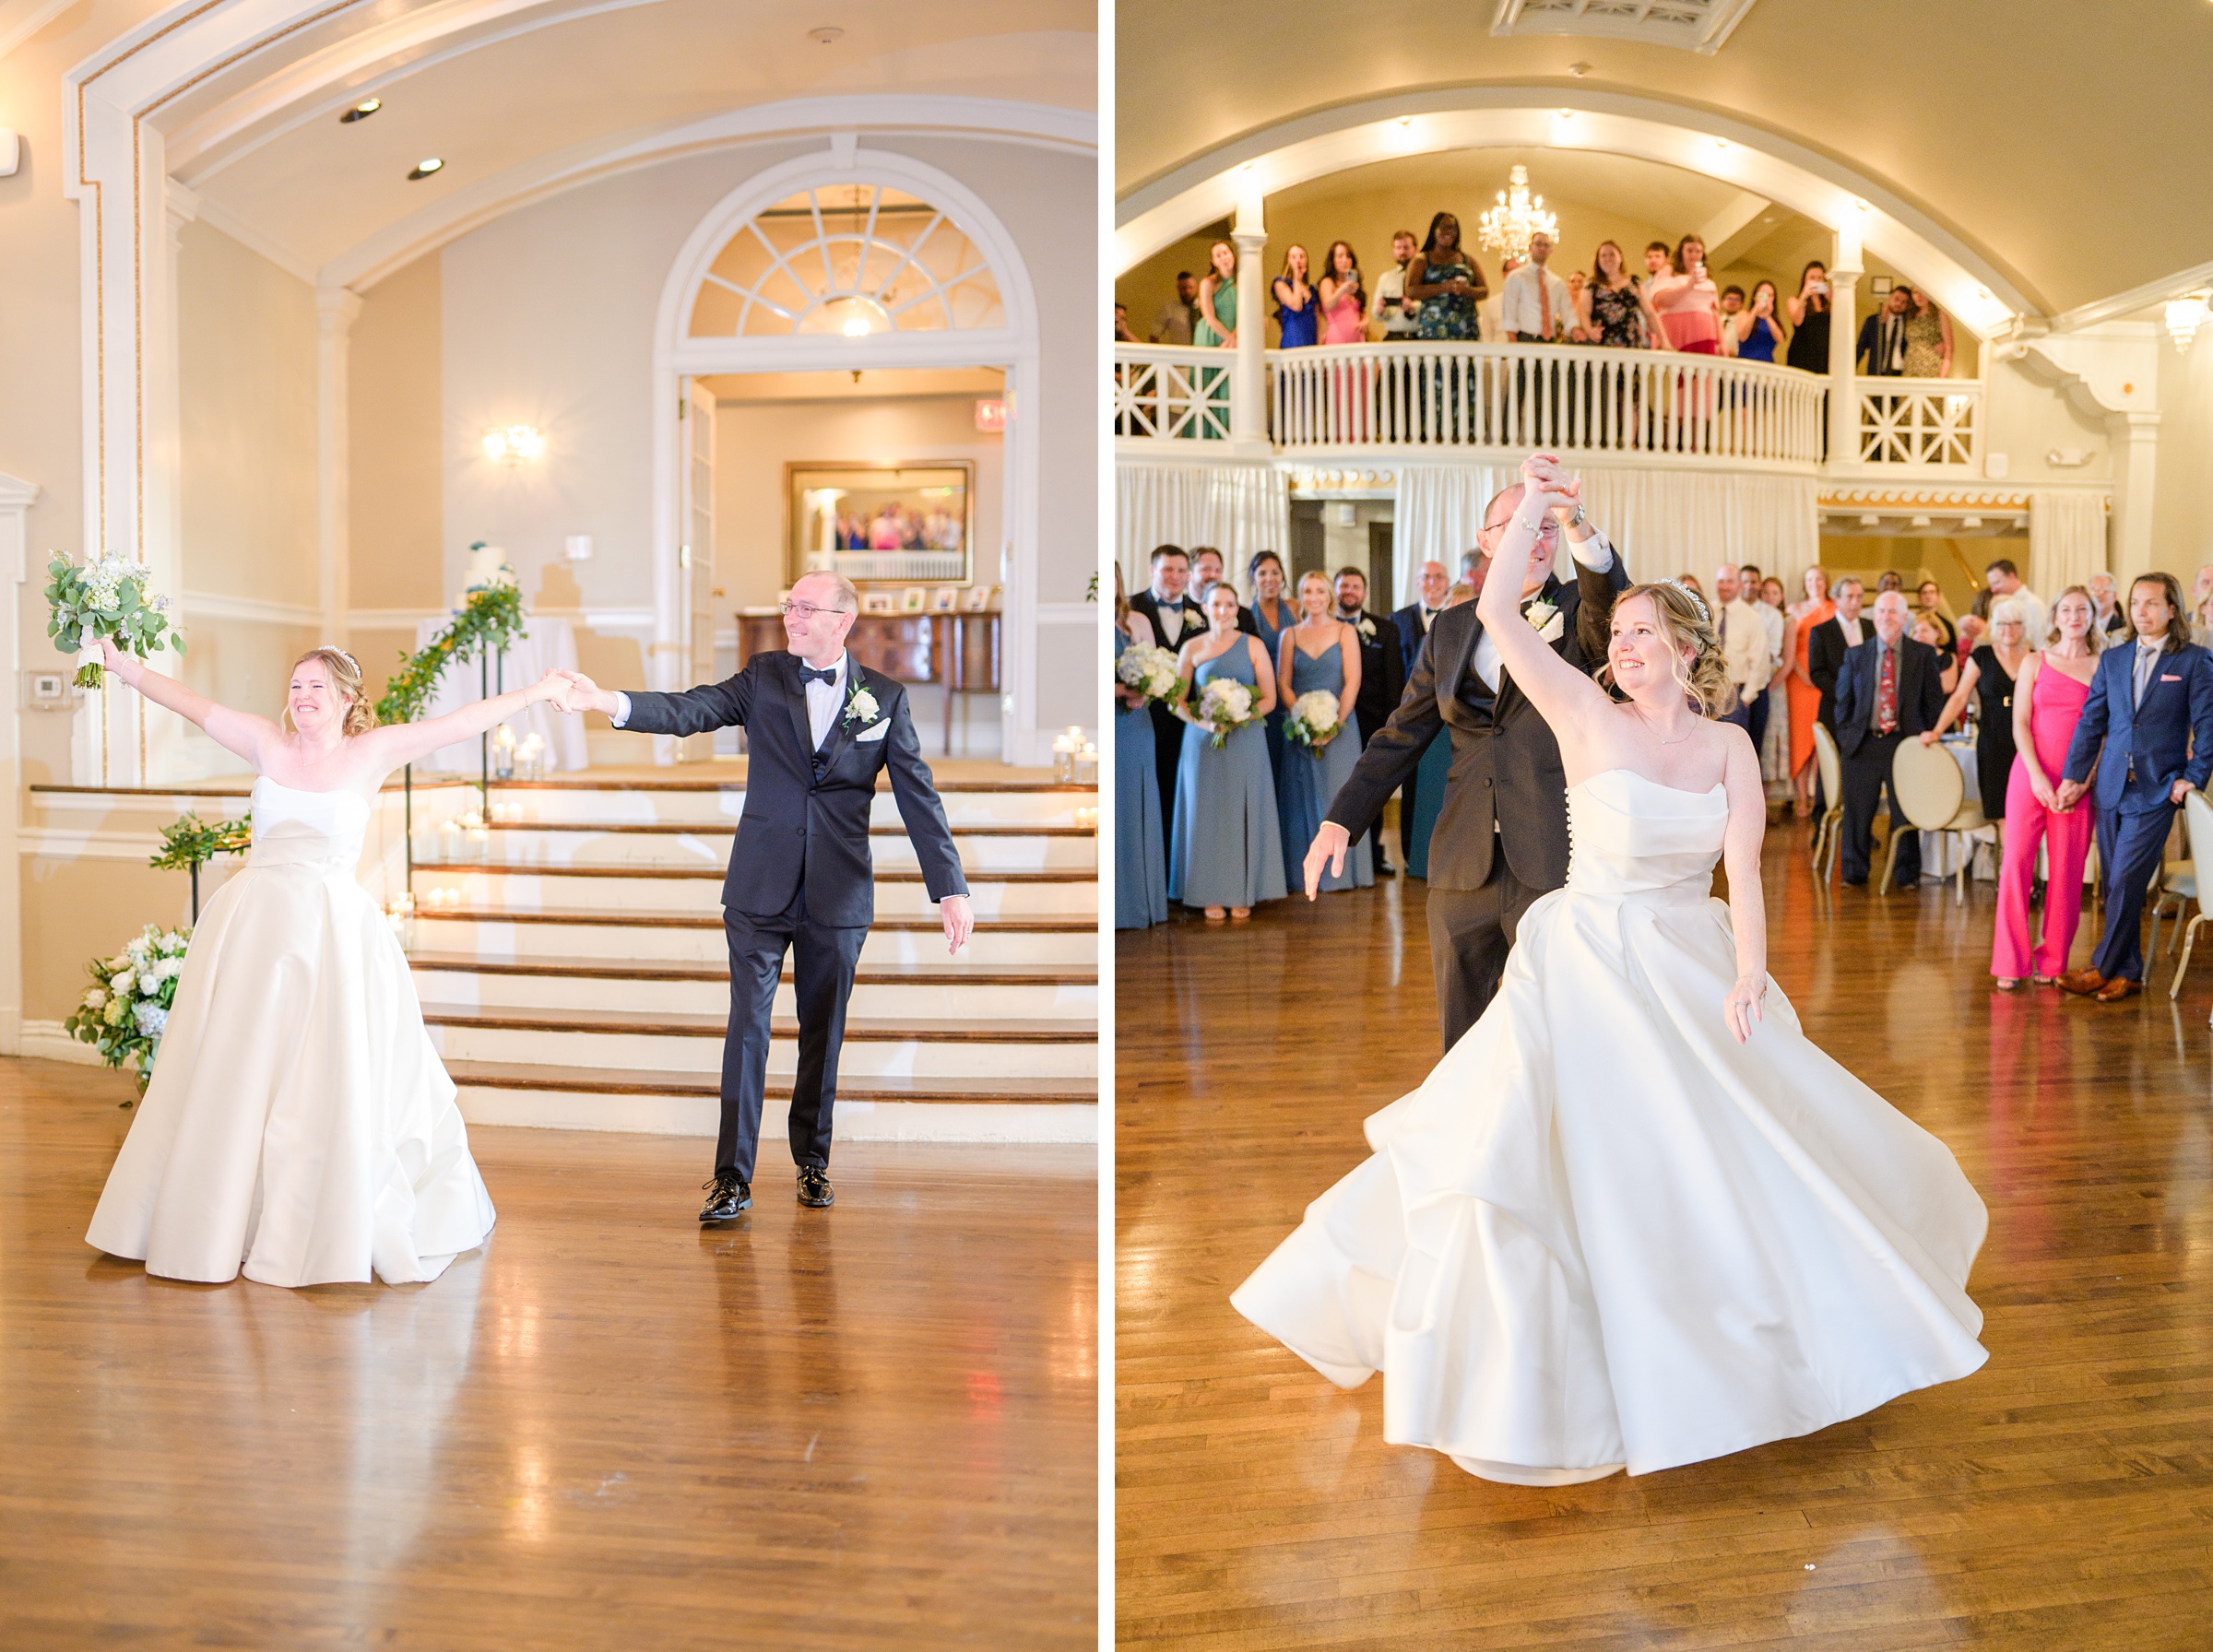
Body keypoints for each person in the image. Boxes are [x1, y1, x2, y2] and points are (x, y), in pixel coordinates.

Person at [1233, 461, 1989, 1487]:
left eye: (1643, 636)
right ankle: (1531, 1346)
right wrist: (1540, 505)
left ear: (1680, 649)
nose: (1624, 649)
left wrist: (1753, 974)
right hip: (1578, 947)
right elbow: (1476, 635)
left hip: (1686, 957)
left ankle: (1741, 1338)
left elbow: (1744, 874)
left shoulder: (1714, 741)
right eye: (1619, 637)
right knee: (1527, 1138)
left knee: (1712, 1157)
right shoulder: (1579, 708)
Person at [84, 643, 573, 1284]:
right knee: (240, 1071)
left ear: (346, 698)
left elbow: (460, 722)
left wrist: (536, 693)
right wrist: (122, 667)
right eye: (295, 685)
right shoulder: (265, 742)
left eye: (317, 686)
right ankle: (219, 1216)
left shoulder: (369, 752)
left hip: (330, 934)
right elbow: (192, 705)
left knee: (319, 1074)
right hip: (253, 929)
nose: (303, 695)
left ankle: (311, 1220)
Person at [560, 573, 971, 1218]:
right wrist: (605, 701)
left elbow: (919, 795)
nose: (791, 616)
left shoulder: (885, 698)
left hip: (838, 895)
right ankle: (732, 1178)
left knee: (822, 1033)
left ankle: (812, 1163)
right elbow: (690, 710)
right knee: (747, 1031)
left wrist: (948, 888)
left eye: (806, 608)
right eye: (789, 605)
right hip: (759, 885)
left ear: (842, 620)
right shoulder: (764, 675)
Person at [1306, 459, 1630, 1048]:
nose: (1534, 538)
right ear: (1485, 543)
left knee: (1562, 1026)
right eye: (1517, 525)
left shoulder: (1583, 619)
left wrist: (1574, 518)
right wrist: (1341, 818)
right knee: (1463, 1034)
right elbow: (1401, 733)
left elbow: (1608, 597)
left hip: (1555, 854)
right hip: (1463, 861)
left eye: (1545, 527)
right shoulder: (1450, 628)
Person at [2056, 572, 2213, 1001]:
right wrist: (2074, 775)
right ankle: (2128, 973)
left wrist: (2192, 778)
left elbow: (2208, 727)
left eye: (2151, 604)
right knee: (2113, 882)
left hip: (2158, 788)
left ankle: (2101, 966)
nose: (2141, 611)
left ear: (2171, 609)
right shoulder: (2114, 658)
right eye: (2136, 603)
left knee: (2126, 879)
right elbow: (2092, 720)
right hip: (2110, 784)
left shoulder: (2194, 660)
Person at [1982, 587, 2101, 988]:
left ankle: (2052, 963)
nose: (2073, 616)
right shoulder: (2034, 661)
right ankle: (2010, 963)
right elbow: (2019, 723)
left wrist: (2083, 781)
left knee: (2067, 874)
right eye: (2065, 609)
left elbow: (2105, 732)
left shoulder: (2104, 666)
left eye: (2081, 609)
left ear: (2092, 616)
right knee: (2016, 865)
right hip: (2029, 774)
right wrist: (2035, 775)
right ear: (2054, 617)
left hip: (2077, 783)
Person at [1170, 582, 1287, 920]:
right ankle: (1207, 892)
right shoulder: (1191, 647)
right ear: (1205, 608)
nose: (1223, 610)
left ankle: (1243, 890)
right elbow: (1177, 700)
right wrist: (1204, 724)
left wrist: (1240, 716)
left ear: (1237, 609)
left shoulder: (1253, 645)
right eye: (1217, 604)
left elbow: (1269, 698)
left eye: (1230, 605)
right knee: (1206, 814)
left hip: (1245, 738)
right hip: (1202, 741)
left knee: (1242, 811)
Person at [1832, 590, 1947, 888]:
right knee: (1858, 812)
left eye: (1893, 612)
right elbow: (1842, 702)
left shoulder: (1922, 655)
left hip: (1905, 743)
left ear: (1904, 618)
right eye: (1881, 611)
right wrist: (1846, 738)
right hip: (1862, 743)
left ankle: (1906, 873)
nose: (1886, 617)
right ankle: (1853, 871)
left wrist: (1927, 732)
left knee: (1904, 811)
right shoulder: (1856, 655)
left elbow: (1934, 702)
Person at [1277, 573, 1369, 894]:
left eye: (1319, 591)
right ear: (1300, 596)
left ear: (1329, 595)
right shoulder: (1289, 634)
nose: (1313, 597)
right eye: (1307, 591)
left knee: (1339, 795)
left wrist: (1334, 725)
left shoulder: (1345, 631)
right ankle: (1299, 873)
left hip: (1340, 730)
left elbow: (1352, 681)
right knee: (1299, 798)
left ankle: (1342, 874)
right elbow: (1284, 684)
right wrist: (1303, 718)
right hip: (1300, 731)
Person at [1928, 599, 2030, 832]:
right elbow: (1959, 697)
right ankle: (2010, 867)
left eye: (2015, 623)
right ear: (1994, 626)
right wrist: (1937, 731)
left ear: (2024, 627)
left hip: (2026, 742)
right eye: (2003, 623)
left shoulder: (2034, 657)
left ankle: (2021, 866)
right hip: (1993, 742)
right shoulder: (1982, 655)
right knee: (2002, 814)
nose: (2008, 630)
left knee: (2025, 812)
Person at [1331, 568, 1405, 877]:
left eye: (1356, 586)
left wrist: (1391, 725)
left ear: (1364, 592)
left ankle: (1372, 857)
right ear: (1335, 590)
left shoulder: (1384, 629)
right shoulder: (1320, 625)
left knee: (1370, 787)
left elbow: (1394, 680)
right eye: (1344, 586)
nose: (1349, 591)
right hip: (1329, 720)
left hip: (1371, 722)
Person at [1131, 545, 1201, 845]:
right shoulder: (1131, 608)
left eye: (1181, 570)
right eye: (1167, 570)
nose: (1175, 577)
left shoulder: (1202, 612)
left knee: (1185, 795)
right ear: (1152, 571)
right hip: (1144, 718)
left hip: (1189, 721)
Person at [1115, 564, 1171, 930]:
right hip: (1114, 722)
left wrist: (1147, 689)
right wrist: (1121, 692)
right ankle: (1122, 905)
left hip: (1139, 723)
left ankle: (1144, 903)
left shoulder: (1134, 620)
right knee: (1119, 806)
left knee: (1139, 804)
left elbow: (1154, 666)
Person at [1391, 560, 1451, 868]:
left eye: (1438, 577)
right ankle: (1410, 853)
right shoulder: (1398, 620)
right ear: (1417, 582)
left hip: (1450, 720)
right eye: (1426, 577)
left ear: (1447, 582)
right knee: (1411, 784)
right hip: (1411, 716)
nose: (1432, 582)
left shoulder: (1460, 617)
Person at [1243, 550, 1299, 785]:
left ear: (1283, 577)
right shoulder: (1245, 613)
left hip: (1292, 692)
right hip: (1263, 698)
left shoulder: (1294, 607)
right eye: (1263, 573)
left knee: (1293, 768)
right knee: (1268, 764)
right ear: (1253, 578)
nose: (1270, 579)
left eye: (1275, 572)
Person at [1785, 564, 1837, 815]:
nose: (1814, 583)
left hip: (1825, 681)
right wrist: (1801, 672)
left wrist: (1819, 677)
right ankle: (1801, 797)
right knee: (1800, 738)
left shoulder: (1835, 609)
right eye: (1809, 579)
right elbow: (1786, 648)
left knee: (1822, 738)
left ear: (1825, 582)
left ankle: (1822, 798)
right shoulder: (1793, 610)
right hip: (1797, 680)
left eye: (1818, 578)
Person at [1710, 564, 1769, 738]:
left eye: (1730, 582)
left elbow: (1760, 662)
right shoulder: (1707, 611)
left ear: (1740, 585)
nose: (1725, 586)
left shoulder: (1752, 618)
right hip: (1708, 691)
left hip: (1735, 695)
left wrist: (1745, 698)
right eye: (1721, 581)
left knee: (1733, 750)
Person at [1807, 574, 1868, 733]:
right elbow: (1817, 672)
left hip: (1866, 711)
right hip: (1834, 709)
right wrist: (1845, 695)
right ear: (1836, 599)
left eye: (1859, 597)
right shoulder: (1821, 632)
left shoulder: (1872, 628)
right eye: (1849, 597)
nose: (1855, 602)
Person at [1192, 240, 1238, 439]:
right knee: (1207, 389)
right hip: (1212, 336)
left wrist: (1235, 338)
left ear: (1233, 255)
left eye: (1226, 253)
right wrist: (1229, 338)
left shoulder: (1242, 282)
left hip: (1233, 338)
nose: (1223, 257)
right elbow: (1209, 317)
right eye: (1218, 255)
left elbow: (1247, 314)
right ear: (1214, 261)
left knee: (1229, 389)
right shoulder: (1208, 283)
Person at [1647, 234, 1722, 355]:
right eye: (1689, 251)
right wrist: (1689, 286)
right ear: (1681, 252)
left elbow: (1715, 314)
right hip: (1676, 335)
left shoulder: (1709, 283)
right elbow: (1660, 300)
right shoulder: (1669, 273)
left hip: (1704, 337)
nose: (1694, 255)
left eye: (1698, 251)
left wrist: (1722, 343)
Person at [1757, 577, 1795, 801]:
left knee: (1773, 736)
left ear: (1782, 596)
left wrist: (1768, 688)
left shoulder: (1787, 620)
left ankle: (1771, 797)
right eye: (1766, 593)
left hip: (1775, 684)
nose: (1770, 597)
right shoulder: (1755, 616)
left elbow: (1787, 661)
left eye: (1775, 593)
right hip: (1757, 683)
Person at [1983, 559, 2047, 653]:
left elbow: (2040, 643)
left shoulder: (2033, 604)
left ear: (2011, 576)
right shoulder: (1999, 604)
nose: (1993, 590)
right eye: (1991, 585)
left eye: (1996, 583)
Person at [1369, 229, 1420, 343]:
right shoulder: (1385, 278)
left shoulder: (1425, 277)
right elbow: (1375, 312)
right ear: (1394, 250)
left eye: (1406, 247)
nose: (1402, 252)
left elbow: (1432, 306)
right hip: (1394, 338)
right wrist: (1379, 310)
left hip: (1418, 338)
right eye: (1398, 248)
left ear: (1416, 249)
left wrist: (1413, 307)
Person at [1784, 260, 1832, 374]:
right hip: (1802, 353)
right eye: (1812, 278)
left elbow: (1840, 324)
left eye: (1820, 278)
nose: (1816, 281)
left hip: (1824, 355)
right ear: (1805, 281)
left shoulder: (1829, 304)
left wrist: (1832, 299)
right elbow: (1797, 321)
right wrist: (1804, 296)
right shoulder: (1795, 300)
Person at [1272, 244, 1317, 348]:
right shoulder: (1281, 284)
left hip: (1310, 337)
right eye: (1293, 257)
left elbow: (1318, 318)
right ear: (1288, 261)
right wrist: (1296, 278)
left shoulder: (1311, 289)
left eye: (1302, 256)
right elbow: (1296, 306)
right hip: (1294, 338)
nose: (1298, 260)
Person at [1903, 287, 1953, 378]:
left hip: (1932, 369)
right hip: (1910, 369)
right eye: (1915, 292)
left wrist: (1942, 377)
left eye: (1923, 292)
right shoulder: (1911, 315)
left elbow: (1949, 349)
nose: (1919, 296)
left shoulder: (1940, 314)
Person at [1730, 280, 1782, 363]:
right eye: (1762, 294)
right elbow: (1742, 337)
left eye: (1770, 295)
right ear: (1755, 296)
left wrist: (1767, 316)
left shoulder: (1773, 320)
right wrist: (1755, 311)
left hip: (1766, 364)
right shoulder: (1744, 314)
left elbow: (1780, 339)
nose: (1766, 298)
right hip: (1745, 363)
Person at [1913, 614, 1959, 696]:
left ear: (1937, 633)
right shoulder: (1908, 657)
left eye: (1924, 630)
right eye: (1915, 632)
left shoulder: (1948, 658)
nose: (1919, 635)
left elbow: (1947, 687)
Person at [1151, 270, 1198, 346]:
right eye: (1184, 288)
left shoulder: (1205, 308)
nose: (1187, 292)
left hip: (1203, 353)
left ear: (1196, 287)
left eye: (1190, 287)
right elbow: (1154, 335)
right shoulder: (1169, 309)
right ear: (1178, 289)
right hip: (1179, 354)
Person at [1915, 579, 1958, 651]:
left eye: (1932, 592)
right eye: (1924, 593)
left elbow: (1952, 652)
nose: (1928, 596)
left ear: (1938, 597)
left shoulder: (1947, 625)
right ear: (1919, 598)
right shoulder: (1912, 621)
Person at [2088, 571, 2127, 638]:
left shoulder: (2123, 627)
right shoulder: (2083, 625)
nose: (2097, 595)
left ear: (2114, 596)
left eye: (2103, 590)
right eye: (2093, 590)